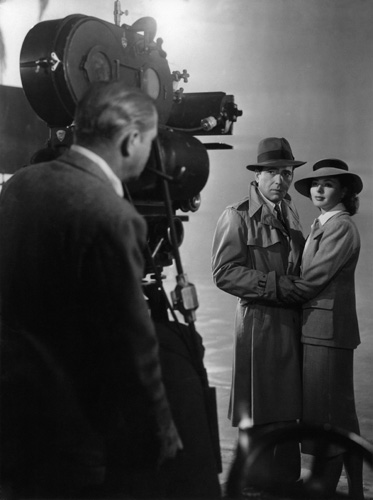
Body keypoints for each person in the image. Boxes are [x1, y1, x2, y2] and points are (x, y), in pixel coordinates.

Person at [0, 81, 182, 499]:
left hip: (13, 420)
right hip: (73, 436)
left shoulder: (20, 185)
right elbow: (131, 345)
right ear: (131, 139)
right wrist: (161, 435)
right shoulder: (113, 215)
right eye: (149, 142)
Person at [211, 137, 307, 487]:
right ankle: (253, 485)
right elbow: (224, 272)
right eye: (273, 173)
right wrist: (277, 286)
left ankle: (285, 482)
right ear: (258, 176)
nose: (280, 180)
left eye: (286, 173)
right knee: (260, 410)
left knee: (288, 412)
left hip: (289, 323)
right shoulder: (236, 215)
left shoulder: (290, 210)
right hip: (259, 324)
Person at [292, 158, 364, 499]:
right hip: (323, 328)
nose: (319, 189)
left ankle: (326, 488)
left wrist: (273, 290)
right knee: (341, 416)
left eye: (329, 184)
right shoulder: (323, 223)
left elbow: (313, 279)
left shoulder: (340, 227)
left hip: (327, 330)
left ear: (344, 190)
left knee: (327, 416)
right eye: (315, 185)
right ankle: (353, 492)